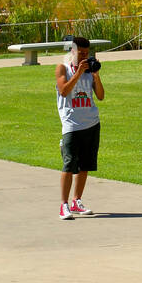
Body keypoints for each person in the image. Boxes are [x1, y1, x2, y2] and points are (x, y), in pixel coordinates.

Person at [56, 36, 104, 221]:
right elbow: (64, 91)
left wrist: (96, 76)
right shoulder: (63, 68)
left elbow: (100, 96)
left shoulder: (89, 71)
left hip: (91, 123)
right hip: (71, 125)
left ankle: (77, 200)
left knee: (85, 165)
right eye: (81, 53)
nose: (84, 57)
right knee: (69, 165)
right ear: (72, 51)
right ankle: (64, 205)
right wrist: (78, 73)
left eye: (87, 53)